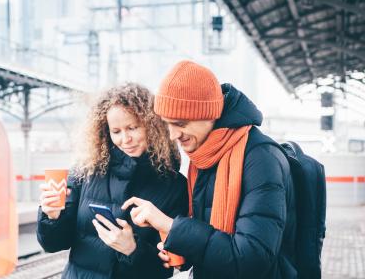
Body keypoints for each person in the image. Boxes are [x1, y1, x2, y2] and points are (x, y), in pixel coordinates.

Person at [122, 60, 296, 278]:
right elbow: (211, 242)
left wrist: (171, 225)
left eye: (181, 124)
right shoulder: (204, 156)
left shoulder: (261, 160)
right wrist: (182, 250)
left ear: (209, 114)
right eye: (167, 124)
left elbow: (252, 258)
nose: (173, 135)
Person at [37, 83, 188, 278]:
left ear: (152, 126)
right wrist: (52, 216)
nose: (125, 139)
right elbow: (53, 244)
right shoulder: (86, 170)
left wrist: (132, 249)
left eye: (132, 128)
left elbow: (166, 269)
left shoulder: (175, 186)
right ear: (105, 131)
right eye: (116, 131)